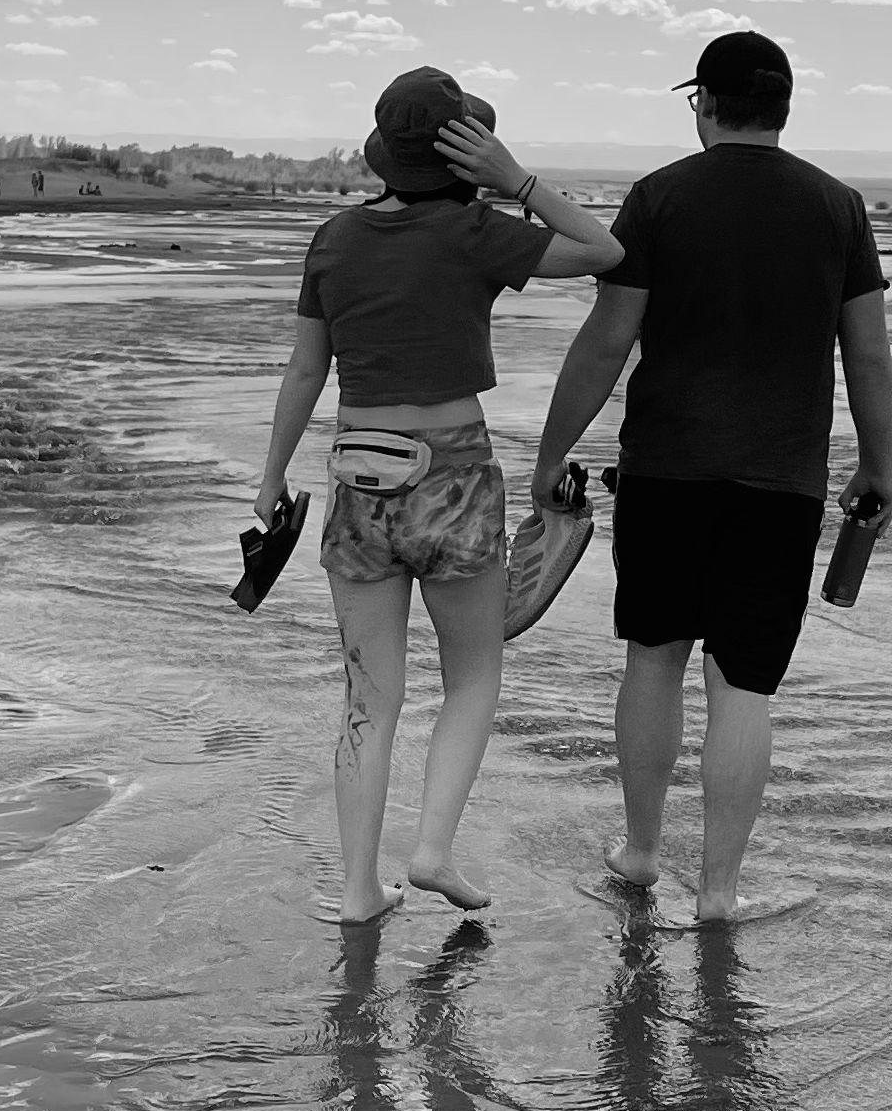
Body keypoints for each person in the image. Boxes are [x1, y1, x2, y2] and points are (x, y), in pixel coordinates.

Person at [528, 31, 892, 924]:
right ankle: (721, 892)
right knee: (746, 684)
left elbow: (608, 340)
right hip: (783, 483)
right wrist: (879, 466)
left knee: (653, 661)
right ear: (784, 105)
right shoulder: (838, 207)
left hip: (665, 470)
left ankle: (643, 852)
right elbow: (870, 357)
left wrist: (549, 453)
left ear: (705, 102)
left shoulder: (659, 197)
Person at [256, 68, 624, 922]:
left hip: (356, 474)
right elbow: (605, 254)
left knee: (367, 698)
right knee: (473, 676)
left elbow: (307, 368)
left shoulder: (334, 239)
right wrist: (517, 179)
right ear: (466, 151)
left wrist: (272, 475)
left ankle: (357, 891)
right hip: (453, 474)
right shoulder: (476, 231)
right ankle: (431, 851)